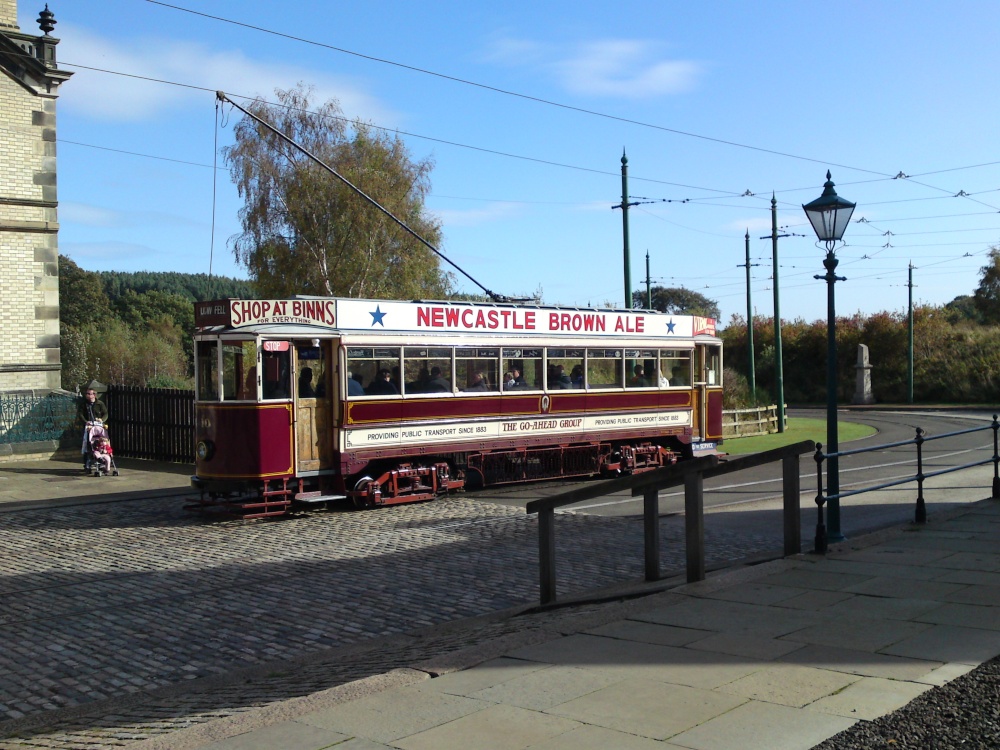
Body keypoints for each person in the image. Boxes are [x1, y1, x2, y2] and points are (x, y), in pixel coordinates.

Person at [77, 387, 108, 471]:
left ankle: (101, 461)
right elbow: (80, 414)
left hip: (98, 426)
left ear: (94, 395)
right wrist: (86, 422)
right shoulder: (84, 404)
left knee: (100, 443)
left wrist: (102, 419)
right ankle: (87, 463)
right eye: (87, 394)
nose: (87, 395)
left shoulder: (100, 404)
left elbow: (105, 413)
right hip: (89, 427)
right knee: (88, 444)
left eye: (89, 394)